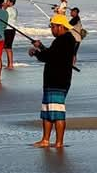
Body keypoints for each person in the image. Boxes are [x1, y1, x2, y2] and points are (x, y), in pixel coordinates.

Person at [29, 14, 76, 148]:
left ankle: (59, 142)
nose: (51, 29)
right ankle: (45, 140)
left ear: (60, 27)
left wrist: (36, 52)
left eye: (53, 27)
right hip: (55, 80)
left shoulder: (63, 40)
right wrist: (41, 46)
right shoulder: (66, 39)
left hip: (58, 80)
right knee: (48, 111)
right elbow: (52, 53)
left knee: (57, 113)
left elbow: (49, 56)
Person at [3, 0, 17, 69]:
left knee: (7, 48)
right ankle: (10, 64)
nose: (6, 2)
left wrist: (4, 8)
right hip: (12, 29)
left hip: (7, 29)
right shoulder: (15, 10)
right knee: (8, 47)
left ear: (11, 2)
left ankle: (10, 64)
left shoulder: (8, 9)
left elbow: (3, 16)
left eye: (7, 1)